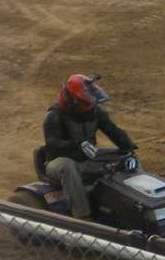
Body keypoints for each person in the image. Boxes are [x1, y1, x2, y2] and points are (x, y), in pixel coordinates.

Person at [42, 75, 137, 220]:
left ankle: (138, 203)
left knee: (126, 157)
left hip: (88, 158)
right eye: (84, 103)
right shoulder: (54, 116)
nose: (89, 106)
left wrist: (128, 146)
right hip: (58, 162)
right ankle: (82, 216)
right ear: (71, 101)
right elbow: (53, 144)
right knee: (67, 166)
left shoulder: (94, 112)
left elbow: (112, 130)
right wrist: (77, 144)